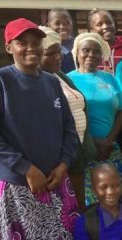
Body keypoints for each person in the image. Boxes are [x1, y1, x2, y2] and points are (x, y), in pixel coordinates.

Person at [0, 18, 78, 240]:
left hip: (51, 184)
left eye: (35, 41)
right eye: (22, 42)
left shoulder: (51, 81)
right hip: (15, 186)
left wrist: (63, 165)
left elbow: (69, 130)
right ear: (9, 47)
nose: (30, 48)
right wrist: (26, 168)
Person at [68, 32, 122, 206]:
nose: (91, 55)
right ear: (77, 53)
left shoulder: (110, 79)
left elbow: (121, 111)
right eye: (85, 50)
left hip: (110, 149)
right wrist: (92, 142)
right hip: (82, 150)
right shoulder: (67, 80)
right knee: (89, 203)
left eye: (96, 51)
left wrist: (109, 140)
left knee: (118, 198)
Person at [39, 26, 96, 212]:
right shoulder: (38, 82)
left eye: (59, 52)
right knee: (70, 211)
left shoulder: (60, 76)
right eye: (50, 53)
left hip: (77, 155)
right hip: (60, 161)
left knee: (80, 208)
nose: (57, 57)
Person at [87, 9, 122, 74]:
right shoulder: (88, 52)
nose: (105, 26)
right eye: (99, 24)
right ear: (92, 30)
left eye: (109, 22)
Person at [47, 8, 76, 73]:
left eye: (67, 23)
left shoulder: (78, 44)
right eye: (57, 23)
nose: (62, 27)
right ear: (49, 25)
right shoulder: (46, 46)